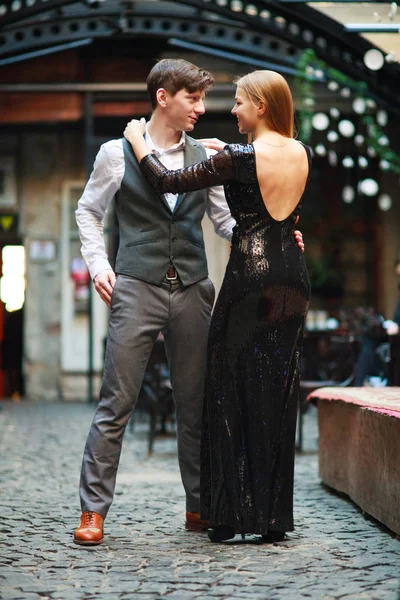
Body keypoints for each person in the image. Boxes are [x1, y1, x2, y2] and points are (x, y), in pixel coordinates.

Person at [74, 59, 304, 546]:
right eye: (193, 99)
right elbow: (88, 212)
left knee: (198, 403)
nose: (202, 108)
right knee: (117, 402)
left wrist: (279, 236)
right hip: (136, 284)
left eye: (204, 99)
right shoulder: (116, 153)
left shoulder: (210, 155)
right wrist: (99, 265)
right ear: (164, 97)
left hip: (196, 287)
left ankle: (199, 504)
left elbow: (226, 222)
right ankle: (93, 511)